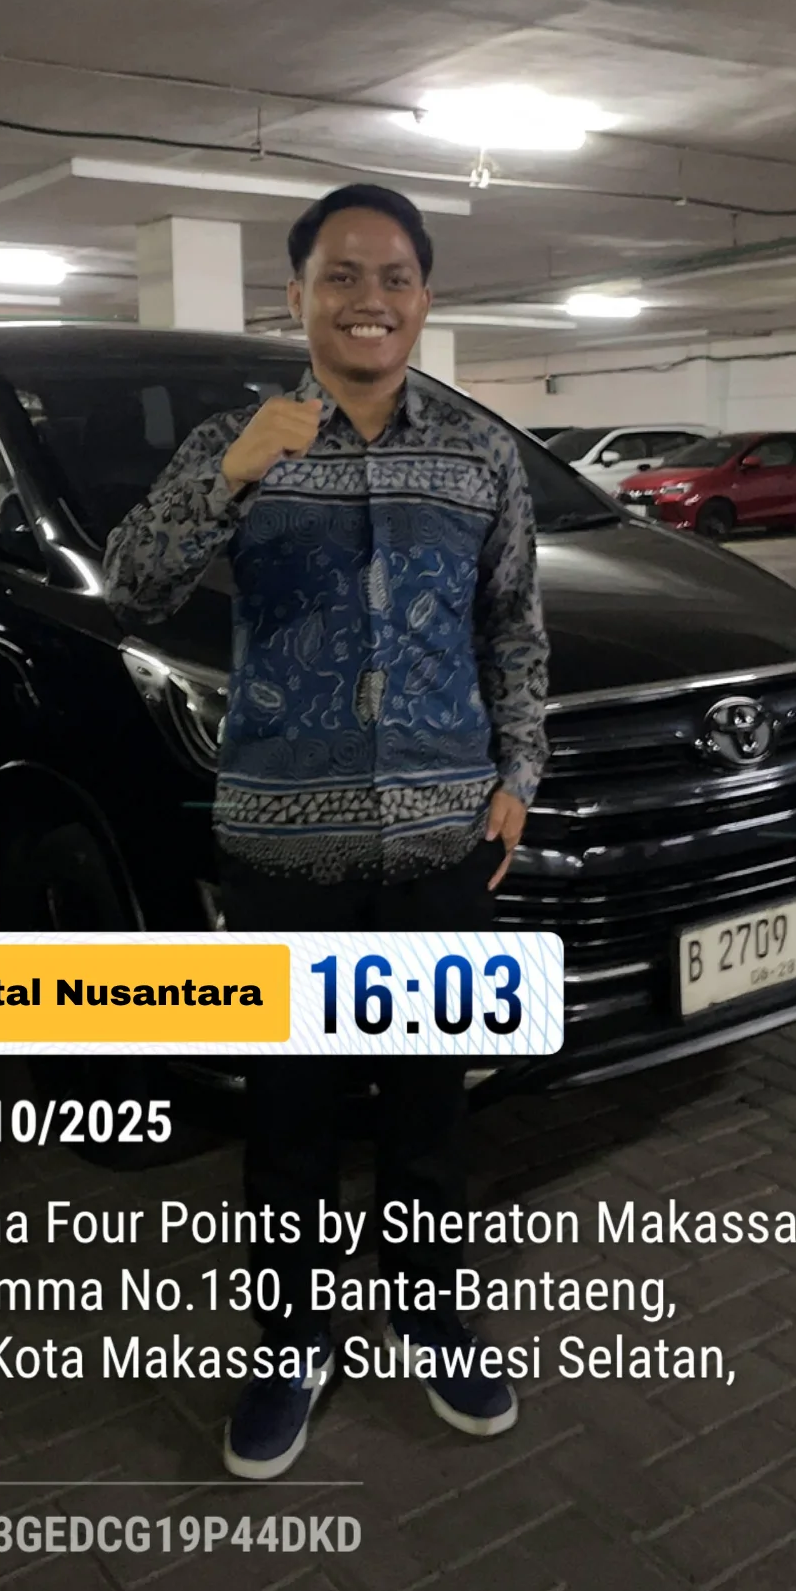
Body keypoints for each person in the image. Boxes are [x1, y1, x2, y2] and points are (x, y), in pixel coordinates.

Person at [103, 183, 549, 1480]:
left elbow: (512, 627)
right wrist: (230, 477)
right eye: (341, 275)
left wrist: (519, 772)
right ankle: (291, 1338)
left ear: (424, 298)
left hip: (442, 843)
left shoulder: (478, 453)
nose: (370, 298)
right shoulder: (238, 441)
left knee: (428, 1105)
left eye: (394, 276)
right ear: (296, 296)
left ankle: (428, 1307)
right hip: (281, 851)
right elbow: (132, 586)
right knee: (291, 1112)